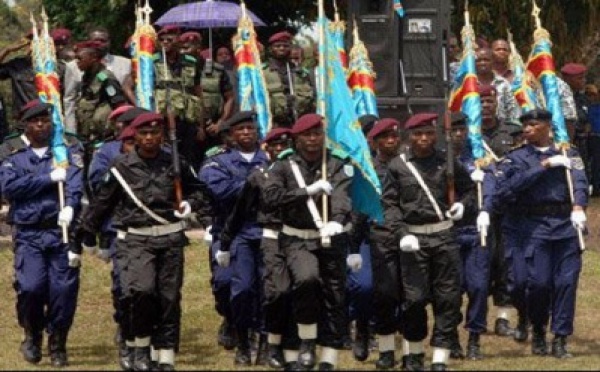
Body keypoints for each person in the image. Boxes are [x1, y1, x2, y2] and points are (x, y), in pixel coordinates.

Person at [73, 112, 207, 371]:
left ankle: (165, 354)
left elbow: (199, 190)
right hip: (135, 240)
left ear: (161, 135)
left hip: (169, 237)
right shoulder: (121, 167)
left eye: (154, 133)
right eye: (143, 133)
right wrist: (84, 236)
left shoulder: (175, 162)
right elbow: (102, 203)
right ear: (134, 136)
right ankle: (140, 348)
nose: (149, 138)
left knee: (168, 299)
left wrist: (191, 205)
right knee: (141, 293)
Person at [262, 113, 356, 370]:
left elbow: (341, 193)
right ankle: (306, 340)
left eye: (317, 134)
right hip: (296, 238)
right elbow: (271, 197)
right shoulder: (283, 165)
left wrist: (337, 219)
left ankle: (329, 355)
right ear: (297, 138)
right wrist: (307, 191)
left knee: (334, 295)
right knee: (306, 279)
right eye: (307, 135)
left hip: (330, 236)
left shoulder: (335, 163)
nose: (313, 139)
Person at [381, 112, 474, 371]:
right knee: (415, 299)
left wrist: (462, 207)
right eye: (418, 134)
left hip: (444, 237)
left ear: (436, 134)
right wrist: (402, 233)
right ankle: (414, 352)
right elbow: (389, 204)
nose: (424, 139)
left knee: (448, 298)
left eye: (429, 133)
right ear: (409, 137)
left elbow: (468, 190)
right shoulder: (398, 166)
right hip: (413, 239)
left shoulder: (448, 161)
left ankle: (440, 356)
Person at [493, 108, 588, 358]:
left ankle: (560, 337)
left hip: (566, 225)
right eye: (524, 126)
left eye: (533, 125)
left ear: (547, 126)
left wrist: (579, 206)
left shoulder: (569, 152)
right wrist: (544, 165)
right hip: (534, 226)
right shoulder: (517, 157)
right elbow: (510, 187)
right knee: (539, 284)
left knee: (566, 284)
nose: (526, 130)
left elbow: (578, 179)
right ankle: (536, 326)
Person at [0, 100, 84, 367]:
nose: (41, 125)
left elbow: (74, 183)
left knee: (63, 291)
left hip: (60, 232)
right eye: (35, 121)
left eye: (45, 120)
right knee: (31, 287)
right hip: (29, 233)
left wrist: (70, 207)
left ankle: (58, 343)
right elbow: (10, 187)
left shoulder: (65, 150)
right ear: (25, 124)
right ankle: (32, 334)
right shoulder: (12, 152)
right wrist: (47, 179)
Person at [217, 126, 296, 368]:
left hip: (281, 239)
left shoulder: (299, 175)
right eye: (276, 146)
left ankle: (266, 342)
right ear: (268, 149)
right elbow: (239, 212)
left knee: (271, 293)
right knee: (242, 289)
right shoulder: (258, 175)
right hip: (247, 236)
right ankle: (242, 342)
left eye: (285, 146)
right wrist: (226, 243)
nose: (281, 150)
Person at [201, 111, 269, 365]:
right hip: (231, 231)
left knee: (266, 289)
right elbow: (219, 190)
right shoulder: (217, 161)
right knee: (229, 285)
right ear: (230, 135)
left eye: (250, 128)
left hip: (264, 231)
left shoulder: (270, 158)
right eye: (240, 130)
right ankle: (234, 324)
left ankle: (262, 340)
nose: (246, 133)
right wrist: (252, 183)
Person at [362, 118, 407, 369]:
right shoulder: (368, 168)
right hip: (380, 237)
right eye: (385, 137)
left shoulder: (408, 164)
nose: (391, 140)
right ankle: (386, 349)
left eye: (394, 136)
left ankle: (412, 352)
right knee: (384, 294)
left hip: (410, 236)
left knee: (411, 296)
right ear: (376, 141)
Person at [73, 40, 128, 195]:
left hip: (104, 138)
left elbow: (119, 106)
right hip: (87, 136)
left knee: (99, 176)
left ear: (93, 58)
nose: (77, 62)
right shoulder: (87, 77)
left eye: (80, 59)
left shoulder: (106, 79)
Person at [152, 25, 207, 169]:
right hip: (163, 118)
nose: (165, 43)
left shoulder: (191, 61)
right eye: (162, 40)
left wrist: (201, 126)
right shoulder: (152, 62)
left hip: (188, 119)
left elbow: (198, 92)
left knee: (189, 158)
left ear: (178, 40)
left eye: (169, 39)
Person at [63, 26, 133, 133]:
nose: (99, 44)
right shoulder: (77, 69)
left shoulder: (125, 64)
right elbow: (70, 101)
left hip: (107, 129)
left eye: (103, 41)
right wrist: (71, 132)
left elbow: (119, 104)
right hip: (86, 127)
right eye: (96, 40)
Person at [263, 31, 315, 128]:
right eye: (277, 46)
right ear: (271, 49)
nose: (282, 48)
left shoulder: (300, 72)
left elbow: (311, 98)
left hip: (299, 121)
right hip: (274, 123)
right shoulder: (263, 72)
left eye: (285, 46)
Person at [0, 31, 39, 124]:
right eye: (31, 44)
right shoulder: (18, 64)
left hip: (48, 119)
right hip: (25, 119)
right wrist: (7, 50)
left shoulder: (55, 66)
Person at [475, 47, 520, 123]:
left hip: (502, 130)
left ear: (492, 62)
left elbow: (512, 109)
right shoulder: (468, 84)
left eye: (486, 60)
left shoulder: (503, 83)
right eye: (479, 60)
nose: (482, 63)